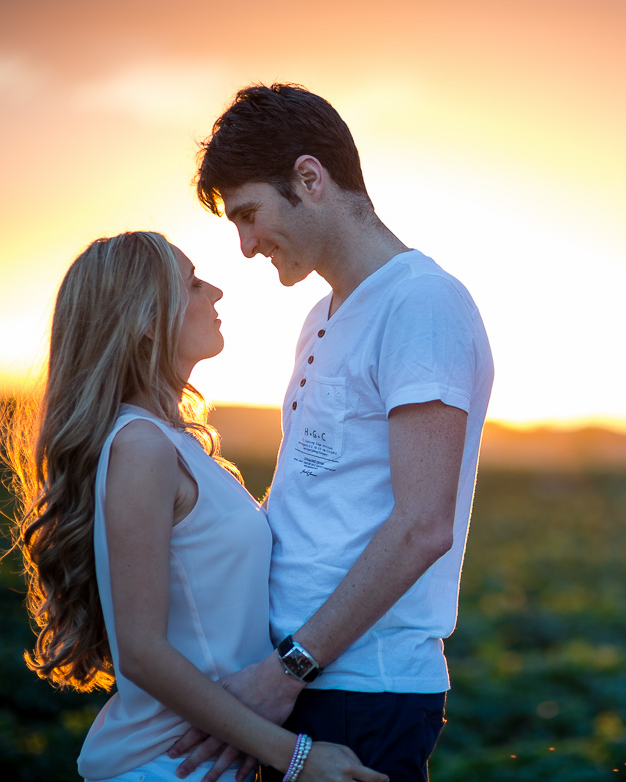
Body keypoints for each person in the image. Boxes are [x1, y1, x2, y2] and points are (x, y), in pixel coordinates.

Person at [170, 83, 495, 782]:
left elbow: (422, 525)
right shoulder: (320, 315)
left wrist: (290, 668)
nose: (246, 245)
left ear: (309, 179)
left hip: (361, 691)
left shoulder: (420, 303)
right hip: (300, 682)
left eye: (249, 214)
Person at [0, 231, 387, 782]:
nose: (217, 292)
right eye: (195, 283)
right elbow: (142, 654)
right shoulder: (140, 447)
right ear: (147, 321)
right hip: (161, 766)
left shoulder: (171, 441)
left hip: (201, 760)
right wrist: (293, 756)